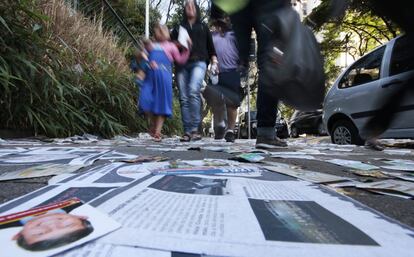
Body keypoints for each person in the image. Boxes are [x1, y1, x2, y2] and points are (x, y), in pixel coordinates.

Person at [212, 0, 290, 148]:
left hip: (241, 9)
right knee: (269, 63)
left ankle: (243, 61)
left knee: (262, 59)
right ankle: (266, 133)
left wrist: (215, 11)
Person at [172, 0, 218, 142]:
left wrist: (215, 62)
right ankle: (187, 131)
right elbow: (171, 45)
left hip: (199, 62)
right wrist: (181, 43)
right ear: (184, 10)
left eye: (192, 6)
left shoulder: (203, 27)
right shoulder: (179, 28)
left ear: (196, 9)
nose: (190, 8)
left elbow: (211, 48)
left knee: (193, 90)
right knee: (184, 97)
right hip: (182, 65)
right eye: (187, 6)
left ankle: (195, 130)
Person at [139, 24, 190, 142]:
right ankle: (152, 124)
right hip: (150, 78)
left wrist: (187, 49)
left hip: (164, 77)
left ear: (168, 33)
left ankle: (157, 131)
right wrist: (146, 60)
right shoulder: (150, 45)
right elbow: (142, 57)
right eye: (158, 30)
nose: (161, 32)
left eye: (163, 30)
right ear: (155, 33)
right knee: (145, 100)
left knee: (162, 103)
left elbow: (180, 60)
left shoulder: (171, 46)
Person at [0, 199, 93, 251]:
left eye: (40, 233)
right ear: (81, 217)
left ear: (18, 235)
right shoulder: (76, 203)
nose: (52, 225)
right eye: (68, 225)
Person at [203, 16, 241, 143]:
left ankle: (230, 131)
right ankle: (219, 124)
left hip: (232, 71)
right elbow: (206, 50)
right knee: (216, 100)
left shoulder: (235, 34)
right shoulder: (211, 35)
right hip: (216, 73)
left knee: (232, 103)